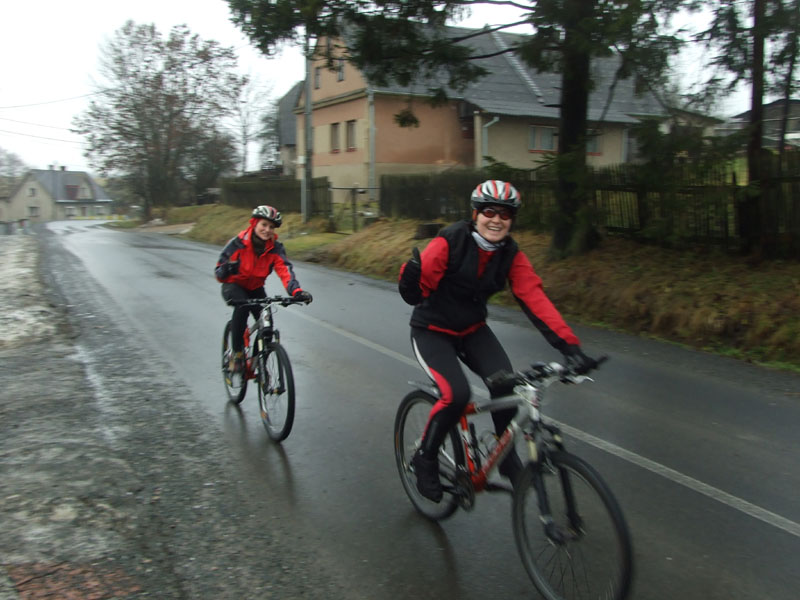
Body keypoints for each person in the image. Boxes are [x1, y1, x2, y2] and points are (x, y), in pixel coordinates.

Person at [397, 180, 598, 502]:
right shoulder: (450, 241)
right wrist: (409, 280)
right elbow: (416, 291)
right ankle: (426, 457)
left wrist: (569, 347)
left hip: (473, 330)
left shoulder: (510, 254)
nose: (496, 219)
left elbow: (534, 297)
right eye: (489, 211)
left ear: (512, 219)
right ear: (475, 214)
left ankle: (506, 460)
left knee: (505, 385)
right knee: (456, 395)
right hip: (431, 330)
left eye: (505, 213)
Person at [215, 205, 312, 372]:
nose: (267, 230)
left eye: (271, 227)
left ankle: (261, 360)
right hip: (234, 285)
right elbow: (218, 272)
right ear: (254, 223)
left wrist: (296, 291)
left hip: (255, 287)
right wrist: (227, 270)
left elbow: (285, 271)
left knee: (267, 323)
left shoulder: (275, 248)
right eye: (263, 225)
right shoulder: (237, 244)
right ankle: (237, 355)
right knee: (242, 307)